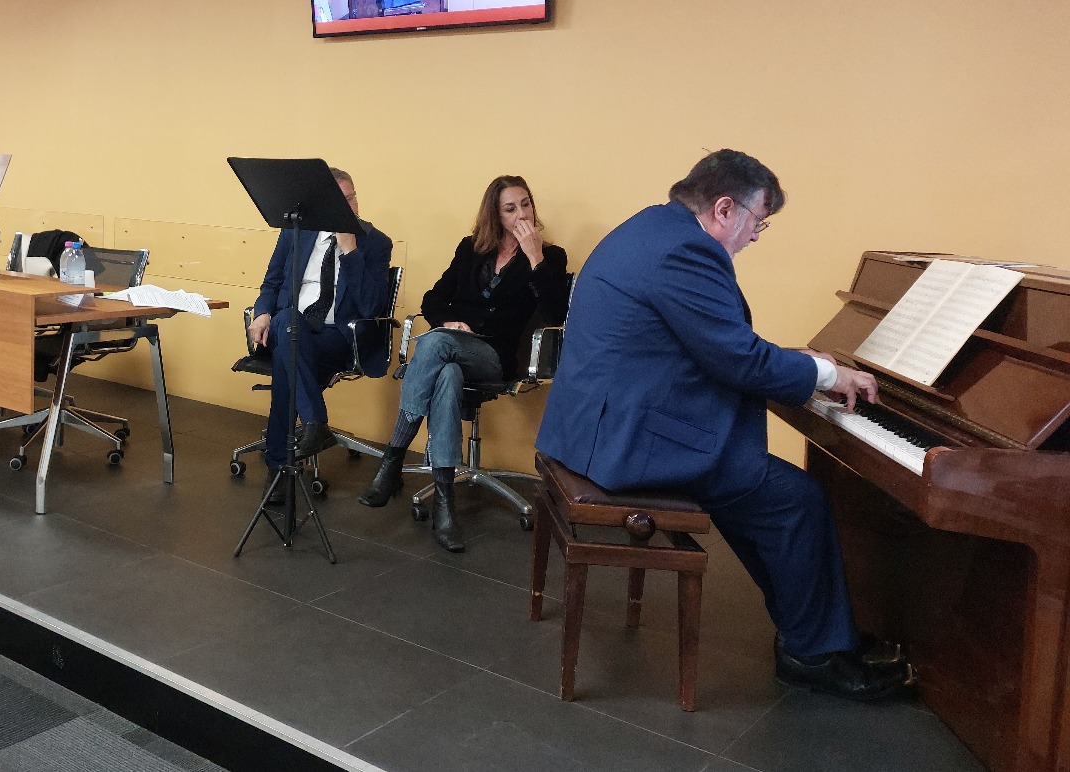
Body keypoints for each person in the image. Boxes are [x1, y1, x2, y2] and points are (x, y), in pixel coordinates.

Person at [534, 149, 914, 701]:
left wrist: (794, 363)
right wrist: (827, 373)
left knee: (754, 487)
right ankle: (814, 653)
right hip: (623, 442)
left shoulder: (652, 228)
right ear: (724, 208)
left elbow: (708, 341)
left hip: (593, 425)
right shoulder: (686, 251)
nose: (757, 234)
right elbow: (736, 359)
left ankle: (816, 628)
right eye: (760, 220)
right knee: (796, 501)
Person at [358, 175, 568, 551]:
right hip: (454, 349)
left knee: (436, 344)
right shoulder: (470, 249)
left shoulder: (550, 257)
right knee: (448, 374)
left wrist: (535, 257)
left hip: (498, 358)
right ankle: (445, 506)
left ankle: (392, 459)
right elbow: (432, 299)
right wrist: (451, 323)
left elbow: (555, 314)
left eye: (526, 204)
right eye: (510, 208)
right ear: (495, 214)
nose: (522, 214)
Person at [248, 168, 392, 504]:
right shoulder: (295, 232)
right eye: (339, 201)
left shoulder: (376, 243)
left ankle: (279, 466)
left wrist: (351, 252)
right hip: (289, 325)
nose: (348, 207)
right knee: (288, 326)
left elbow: (371, 306)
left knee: (287, 355)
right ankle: (314, 423)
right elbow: (271, 282)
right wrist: (262, 312)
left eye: (351, 199)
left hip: (337, 337)